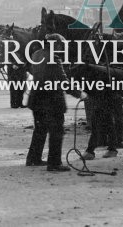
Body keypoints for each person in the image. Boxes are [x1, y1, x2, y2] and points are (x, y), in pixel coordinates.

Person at [25, 33, 79, 172]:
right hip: (51, 101)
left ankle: (33, 159)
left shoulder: (36, 54)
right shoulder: (54, 58)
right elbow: (64, 81)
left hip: (36, 99)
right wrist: (80, 93)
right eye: (61, 46)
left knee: (40, 130)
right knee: (56, 131)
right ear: (56, 45)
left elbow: (33, 71)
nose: (62, 48)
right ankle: (54, 163)